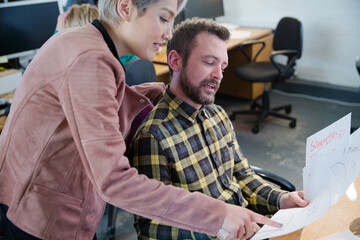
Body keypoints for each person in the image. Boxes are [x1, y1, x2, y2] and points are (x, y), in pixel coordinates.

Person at [0, 1, 280, 240]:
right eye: (163, 18)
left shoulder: (82, 41)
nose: (168, 32)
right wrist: (216, 214)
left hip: (35, 201)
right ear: (126, 7)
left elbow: (84, 104)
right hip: (39, 218)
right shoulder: (91, 59)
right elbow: (114, 181)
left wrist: (145, 93)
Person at [131, 17, 309, 240]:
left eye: (222, 66)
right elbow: (151, 226)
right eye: (209, 62)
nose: (218, 75)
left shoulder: (217, 114)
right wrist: (218, 227)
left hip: (249, 229)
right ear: (175, 61)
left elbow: (242, 175)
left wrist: (281, 199)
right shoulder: (154, 136)